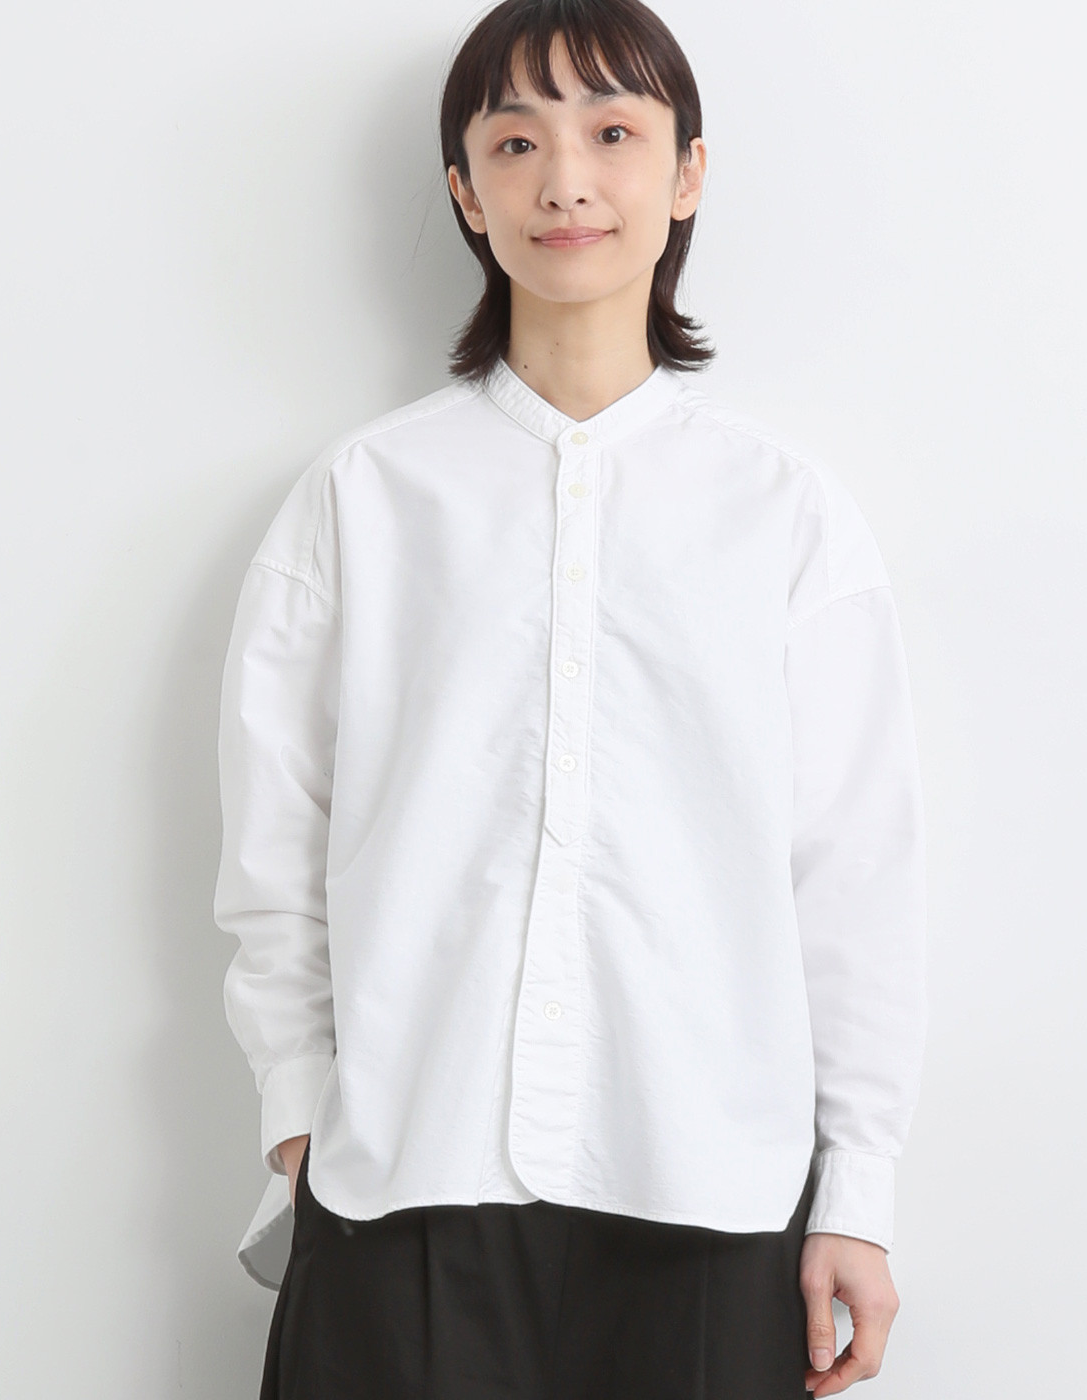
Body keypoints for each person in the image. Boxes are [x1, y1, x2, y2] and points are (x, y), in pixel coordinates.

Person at [212, 1, 927, 1396]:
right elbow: (275, 841)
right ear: (465, 190)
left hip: (709, 1190)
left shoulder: (785, 516)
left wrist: (859, 1188)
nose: (567, 182)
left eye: (613, 132)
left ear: (687, 174)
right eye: (516, 142)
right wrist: (298, 1103)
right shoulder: (364, 499)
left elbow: (853, 875)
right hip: (405, 1179)